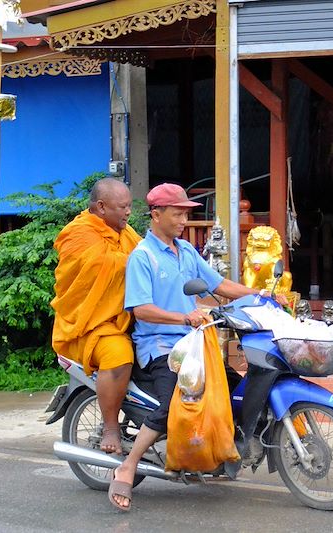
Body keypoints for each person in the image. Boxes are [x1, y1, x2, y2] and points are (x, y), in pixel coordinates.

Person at [108, 183, 271, 512]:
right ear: (156, 214)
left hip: (194, 343)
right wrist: (184, 317)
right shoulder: (143, 256)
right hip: (160, 347)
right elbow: (140, 309)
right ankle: (127, 466)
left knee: (237, 388)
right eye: (178, 213)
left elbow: (219, 285)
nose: (184, 219)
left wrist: (260, 297)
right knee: (175, 404)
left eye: (186, 213)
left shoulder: (185, 250)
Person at [51, 177, 141, 455]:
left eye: (129, 206)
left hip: (128, 318)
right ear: (101, 207)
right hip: (90, 326)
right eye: (122, 206)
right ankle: (111, 426)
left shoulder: (125, 232)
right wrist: (145, 263)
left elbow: (147, 255)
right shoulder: (78, 233)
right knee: (119, 355)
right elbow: (100, 264)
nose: (128, 212)